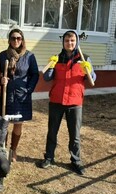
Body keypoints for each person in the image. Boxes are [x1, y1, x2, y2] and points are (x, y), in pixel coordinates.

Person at [40, 30, 96, 175]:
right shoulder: (57, 58)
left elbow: (92, 79)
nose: (69, 43)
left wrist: (88, 69)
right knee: (52, 131)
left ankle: (76, 161)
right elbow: (46, 77)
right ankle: (49, 158)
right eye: (66, 40)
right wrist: (51, 65)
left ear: (76, 42)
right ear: (63, 42)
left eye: (72, 40)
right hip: (56, 100)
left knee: (75, 135)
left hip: (75, 101)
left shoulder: (85, 59)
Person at [0, 28, 39, 163]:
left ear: (22, 40)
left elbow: (35, 74)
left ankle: (13, 149)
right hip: (7, 93)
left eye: (18, 38)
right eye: (13, 38)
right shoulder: (3, 55)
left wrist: (29, 90)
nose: (16, 40)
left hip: (22, 95)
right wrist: (1, 80)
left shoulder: (29, 56)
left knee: (18, 123)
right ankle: (2, 148)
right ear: (9, 40)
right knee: (4, 122)